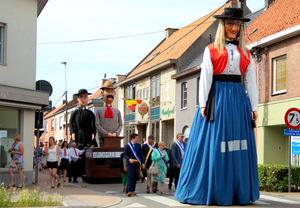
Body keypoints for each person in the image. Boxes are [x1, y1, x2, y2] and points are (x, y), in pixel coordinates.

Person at [174, 8, 259, 206]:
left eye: (237, 24)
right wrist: (202, 104)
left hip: (238, 99)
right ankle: (212, 189)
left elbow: (251, 81)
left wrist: (254, 106)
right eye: (230, 23)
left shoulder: (245, 52)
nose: (234, 27)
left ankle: (238, 191)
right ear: (223, 25)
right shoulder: (211, 49)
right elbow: (206, 79)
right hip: (217, 98)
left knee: (238, 144)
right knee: (215, 143)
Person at [69, 89, 97, 179]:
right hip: (77, 136)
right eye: (81, 97)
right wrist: (72, 132)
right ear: (78, 99)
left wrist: (93, 133)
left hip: (89, 136)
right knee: (75, 154)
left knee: (90, 154)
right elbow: (70, 122)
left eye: (85, 96)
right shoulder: (75, 113)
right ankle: (74, 174)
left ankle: (90, 172)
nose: (83, 99)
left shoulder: (90, 113)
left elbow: (94, 124)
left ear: (88, 98)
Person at [95, 80, 122, 146]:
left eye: (112, 91)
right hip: (103, 141)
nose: (110, 93)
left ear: (114, 93)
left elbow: (121, 125)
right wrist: (106, 134)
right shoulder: (99, 111)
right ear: (102, 93)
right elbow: (97, 125)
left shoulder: (117, 111)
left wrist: (116, 133)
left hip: (115, 140)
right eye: (107, 91)